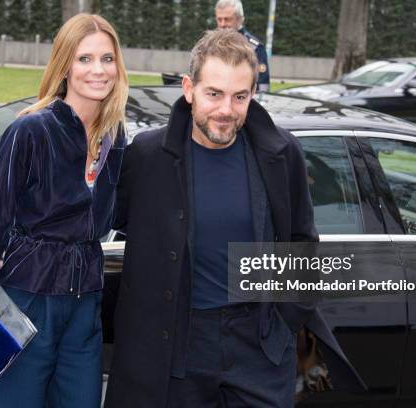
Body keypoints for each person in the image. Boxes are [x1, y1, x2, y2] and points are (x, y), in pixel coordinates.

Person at [104, 29, 364, 408]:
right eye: (214, 94)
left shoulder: (281, 153)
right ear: (189, 88)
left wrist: (283, 326)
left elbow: (301, 242)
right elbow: (105, 219)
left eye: (239, 97)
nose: (226, 110)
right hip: (176, 346)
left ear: (252, 95)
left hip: (257, 344)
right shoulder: (147, 155)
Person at [0, 13, 128, 408]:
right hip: (26, 302)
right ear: (64, 65)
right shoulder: (30, 130)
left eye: (107, 59)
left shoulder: (115, 137)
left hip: (85, 307)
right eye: (84, 59)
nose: (98, 70)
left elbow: (121, 215)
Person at [215, 0, 271, 92]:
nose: (222, 24)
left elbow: (263, 86)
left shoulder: (254, 47)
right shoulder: (209, 44)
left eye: (227, 19)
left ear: (240, 19)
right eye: (219, 19)